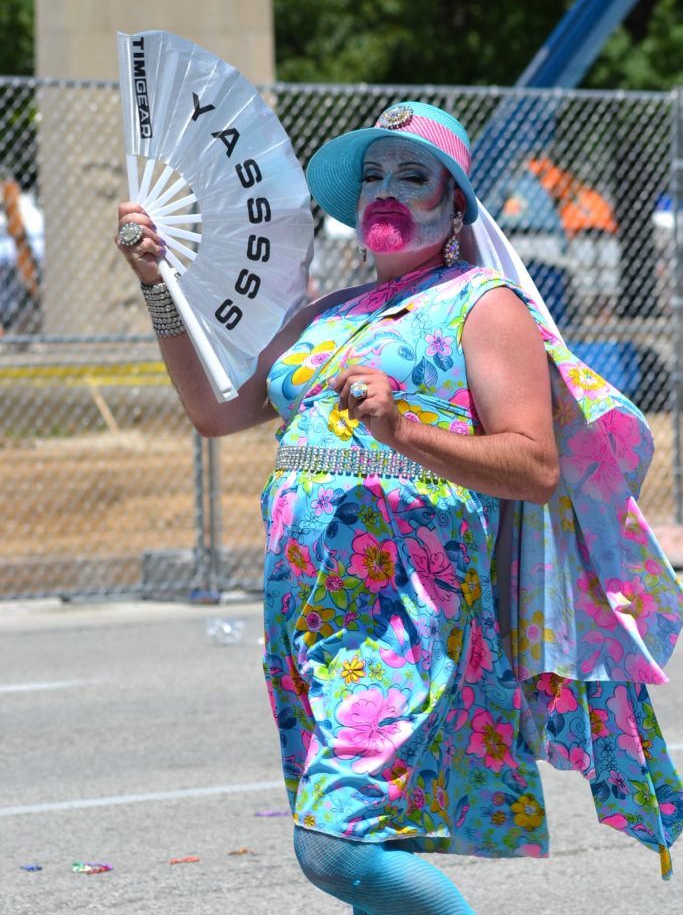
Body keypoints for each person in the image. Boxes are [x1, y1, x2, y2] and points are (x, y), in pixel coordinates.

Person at [117, 101, 683, 913]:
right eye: (373, 175)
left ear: (454, 205)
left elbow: (533, 464)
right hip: (309, 618)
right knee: (363, 838)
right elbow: (214, 411)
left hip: (405, 619)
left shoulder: (481, 306)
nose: (386, 189)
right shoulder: (325, 317)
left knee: (335, 847)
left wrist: (402, 426)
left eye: (412, 176)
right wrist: (156, 285)